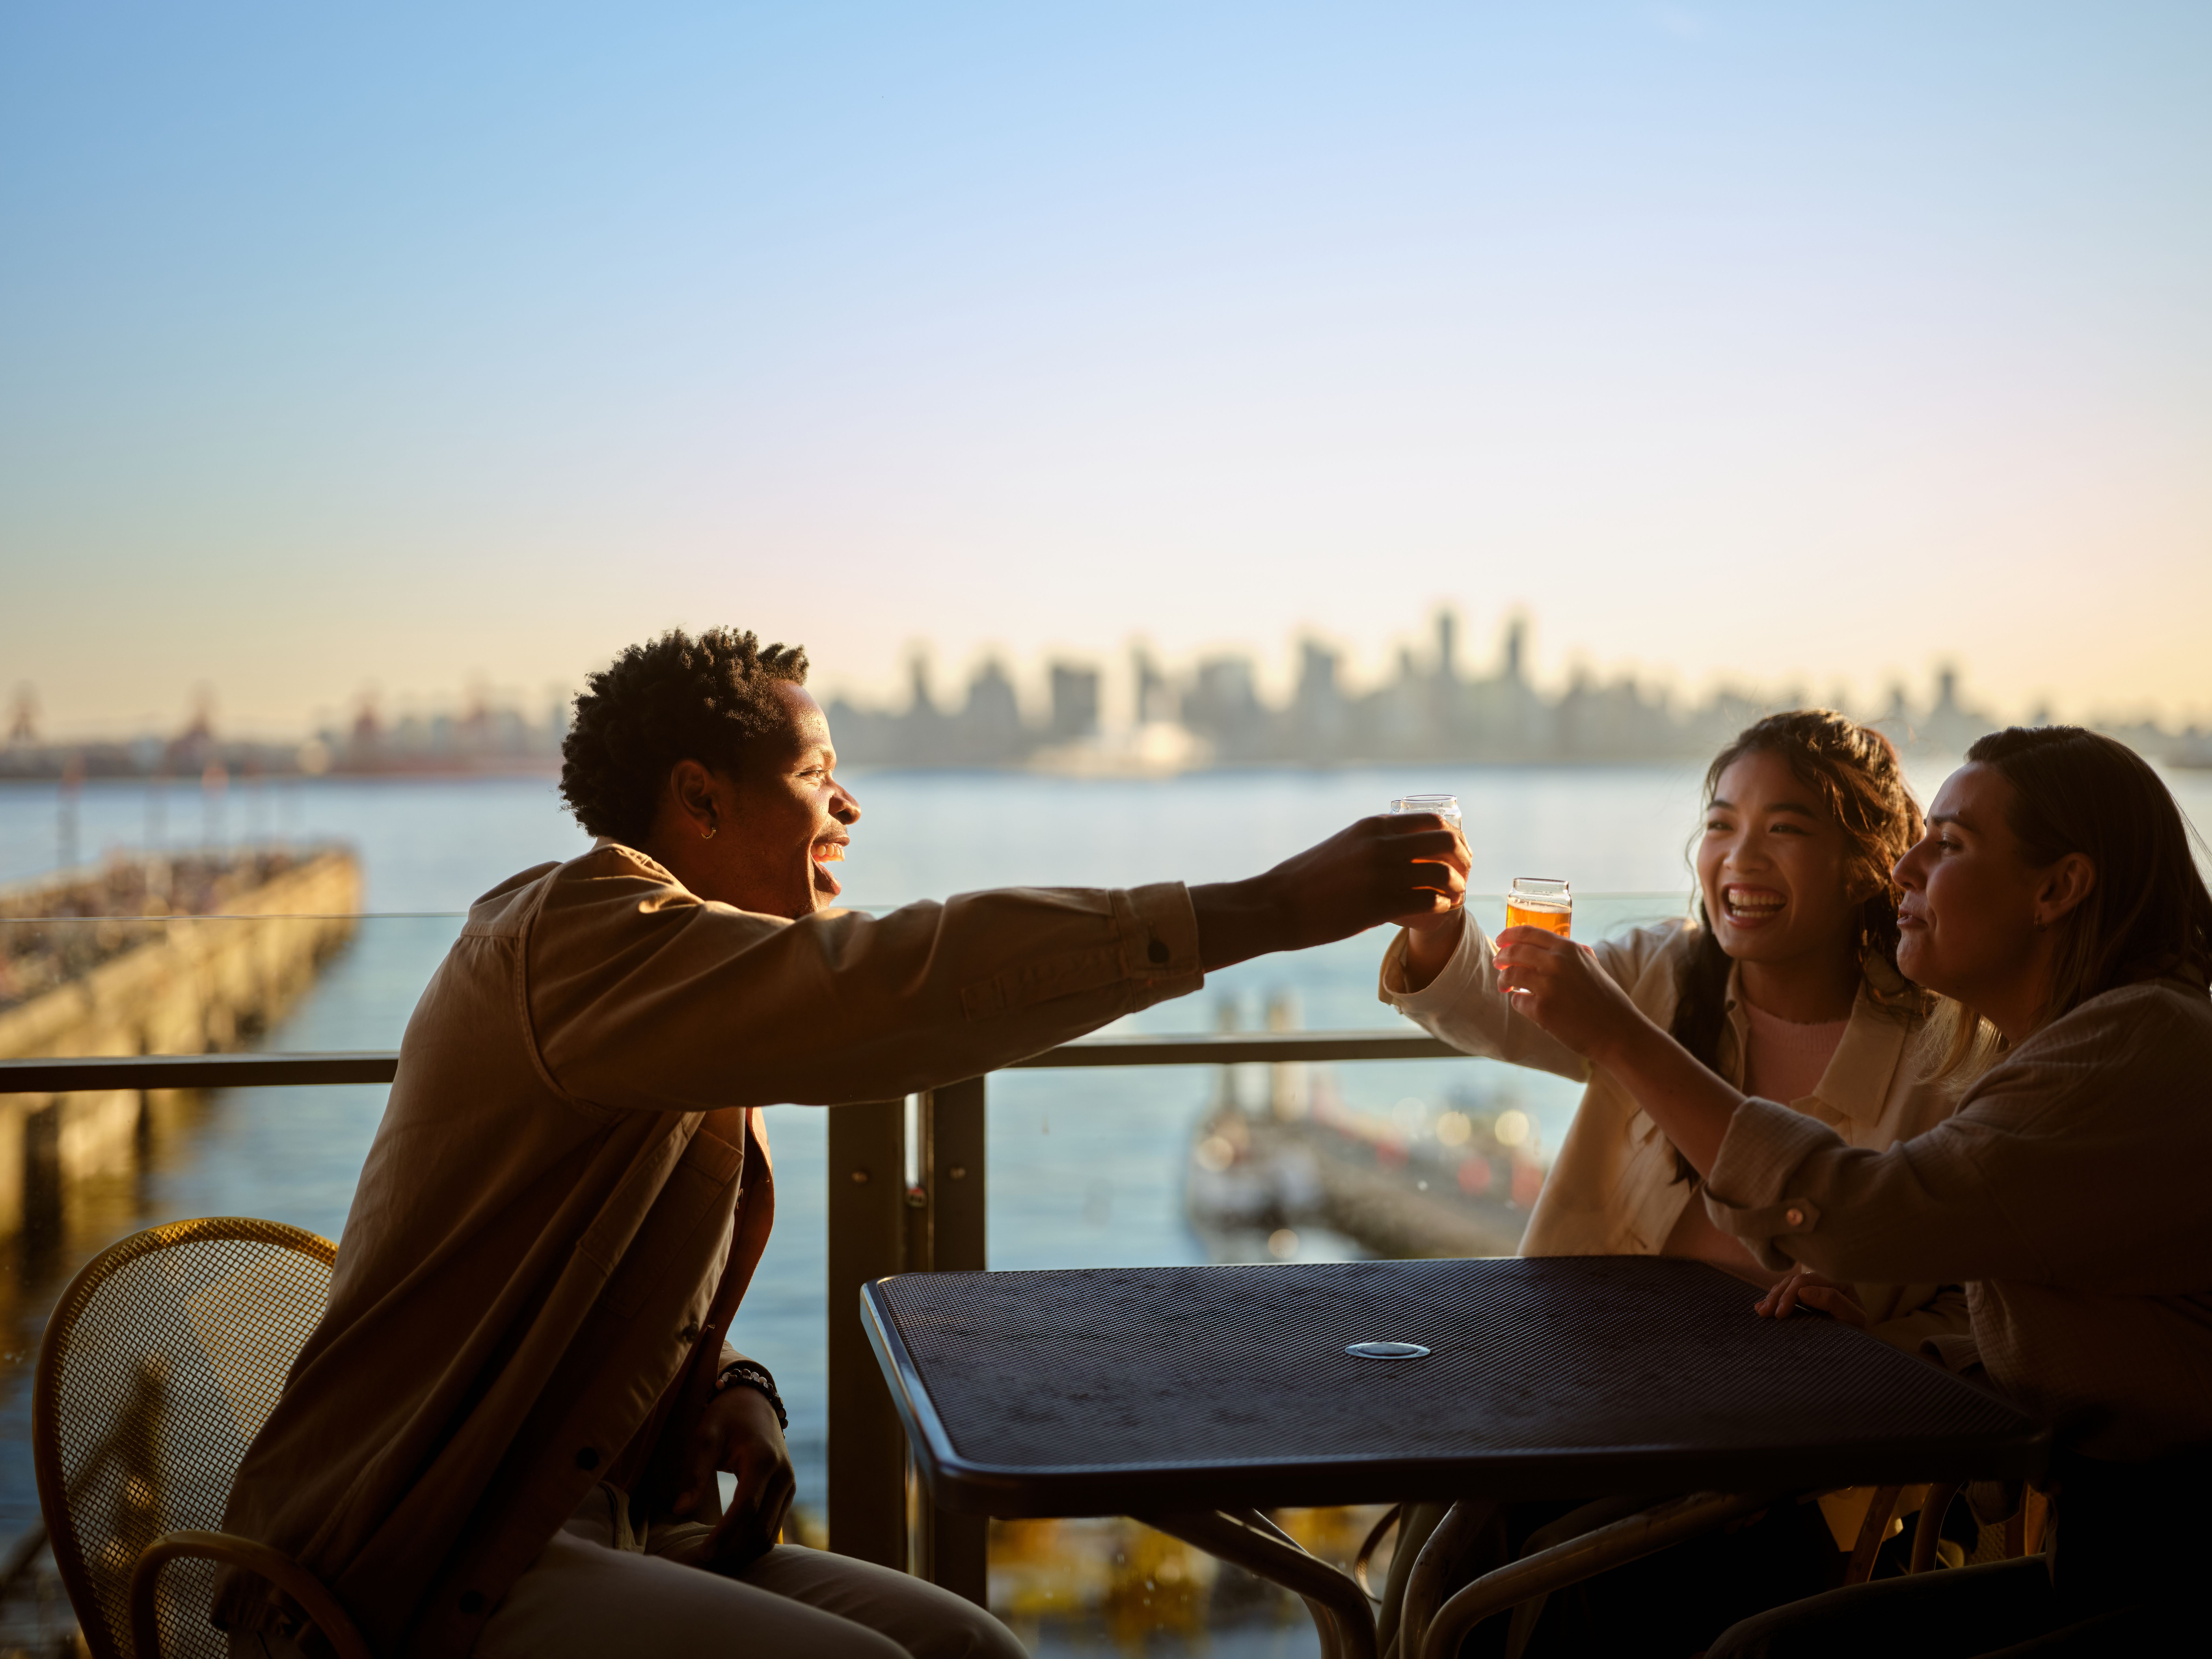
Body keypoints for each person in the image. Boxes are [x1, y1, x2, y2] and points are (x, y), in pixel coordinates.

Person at [216, 627, 1468, 1659]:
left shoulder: (664, 979)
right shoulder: (576, 935)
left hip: (577, 1524)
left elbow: (595, 1292)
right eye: (820, 774)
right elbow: (885, 990)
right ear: (699, 797)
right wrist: (1268, 909)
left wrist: (735, 1394)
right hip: (408, 1567)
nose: (851, 806)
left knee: (970, 1650)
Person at [1492, 727, 2212, 1653]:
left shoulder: (2132, 1050)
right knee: (1526, 1537)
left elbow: (1854, 1214)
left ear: (2058, 888)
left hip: (2172, 1558)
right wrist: (1896, 1339)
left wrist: (1621, 1037)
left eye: (1949, 845)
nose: (1906, 868)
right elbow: (2091, 1307)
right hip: (2114, 1550)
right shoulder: (2083, 1043)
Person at [1371, 712, 1969, 1654]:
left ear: (1866, 863)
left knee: (1569, 1579)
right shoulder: (1657, 972)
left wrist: (1878, 1341)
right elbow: (1498, 1005)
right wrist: (1438, 923)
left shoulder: (1941, 1053)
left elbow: (1975, 1308)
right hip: (1601, 1390)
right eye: (1723, 823)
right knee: (1438, 1546)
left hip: (1788, 1456)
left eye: (1786, 828)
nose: (1740, 855)